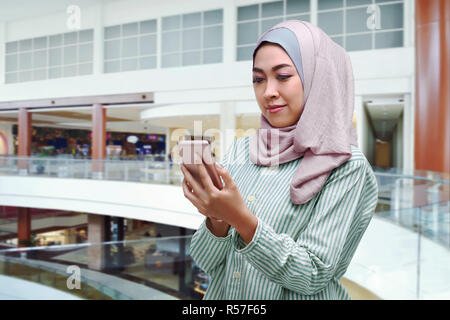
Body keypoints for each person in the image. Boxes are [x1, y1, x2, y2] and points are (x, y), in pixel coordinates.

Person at [181, 20, 378, 300]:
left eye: (283, 76)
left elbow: (313, 275)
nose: (268, 92)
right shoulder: (242, 151)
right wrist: (217, 218)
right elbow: (208, 262)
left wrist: (241, 219)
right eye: (258, 79)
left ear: (318, 79)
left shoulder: (346, 166)